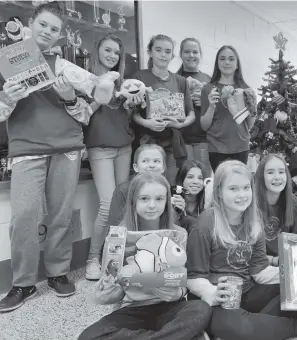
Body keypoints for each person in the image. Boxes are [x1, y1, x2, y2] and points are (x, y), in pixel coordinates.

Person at [0, 2, 93, 312]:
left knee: (61, 214)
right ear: (31, 24)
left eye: (54, 28)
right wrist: (8, 100)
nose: (48, 32)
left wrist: (70, 98)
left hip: (66, 147)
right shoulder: (9, 61)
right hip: (27, 148)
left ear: (60, 34)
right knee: (24, 217)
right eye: (43, 25)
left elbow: (85, 115)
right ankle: (23, 283)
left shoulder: (67, 67)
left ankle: (58, 272)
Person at [186, 160, 297, 340]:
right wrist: (213, 293)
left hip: (248, 292)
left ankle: (250, 326)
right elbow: (193, 278)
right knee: (236, 327)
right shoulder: (206, 223)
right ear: (219, 192)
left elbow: (259, 271)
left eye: (246, 188)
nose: (242, 195)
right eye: (233, 189)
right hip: (218, 300)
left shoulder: (254, 221)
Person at [78, 173, 212, 340]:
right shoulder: (118, 238)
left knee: (200, 309)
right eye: (144, 199)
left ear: (167, 201)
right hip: (133, 309)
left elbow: (184, 281)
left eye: (159, 199)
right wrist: (107, 286)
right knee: (88, 336)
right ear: (133, 201)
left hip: (170, 307)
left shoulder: (180, 234)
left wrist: (177, 293)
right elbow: (110, 296)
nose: (151, 205)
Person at [84, 34, 134, 280]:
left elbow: (127, 117)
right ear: (97, 50)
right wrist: (97, 99)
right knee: (107, 204)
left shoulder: (124, 83)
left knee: (121, 204)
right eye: (108, 50)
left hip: (124, 147)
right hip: (100, 149)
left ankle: (113, 257)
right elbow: (81, 115)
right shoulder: (86, 80)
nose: (113, 56)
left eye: (117, 52)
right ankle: (92, 258)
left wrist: (131, 103)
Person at [131, 34, 195, 185]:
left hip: (173, 144)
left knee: (171, 185)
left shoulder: (181, 81)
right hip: (147, 142)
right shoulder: (138, 77)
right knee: (147, 185)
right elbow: (131, 113)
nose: (163, 54)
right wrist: (147, 123)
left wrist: (181, 124)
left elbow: (191, 113)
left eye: (167, 51)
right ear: (150, 52)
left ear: (172, 55)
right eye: (158, 50)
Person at [201, 45, 255, 171]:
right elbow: (204, 126)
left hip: (241, 146)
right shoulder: (208, 89)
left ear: (237, 64)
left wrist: (252, 107)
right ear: (217, 63)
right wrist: (211, 105)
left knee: (237, 184)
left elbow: (249, 125)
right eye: (222, 59)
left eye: (231, 59)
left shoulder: (246, 89)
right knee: (221, 185)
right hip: (216, 147)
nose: (227, 62)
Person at [254, 154, 297, 265]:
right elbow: (247, 253)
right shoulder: (251, 203)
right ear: (261, 176)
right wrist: (275, 261)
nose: (277, 177)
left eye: (281, 172)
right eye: (270, 172)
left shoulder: (292, 201)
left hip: (285, 262)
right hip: (258, 266)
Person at [176, 38, 212, 176]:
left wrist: (206, 104)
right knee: (183, 181)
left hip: (204, 140)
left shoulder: (209, 80)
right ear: (181, 54)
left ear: (200, 54)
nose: (191, 55)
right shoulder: (174, 78)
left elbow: (218, 111)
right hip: (180, 140)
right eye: (187, 52)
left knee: (204, 180)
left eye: (195, 52)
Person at [172, 160, 209, 232]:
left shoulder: (208, 201)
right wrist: (174, 212)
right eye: (190, 177)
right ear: (182, 179)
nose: (196, 182)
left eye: (200, 178)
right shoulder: (173, 200)